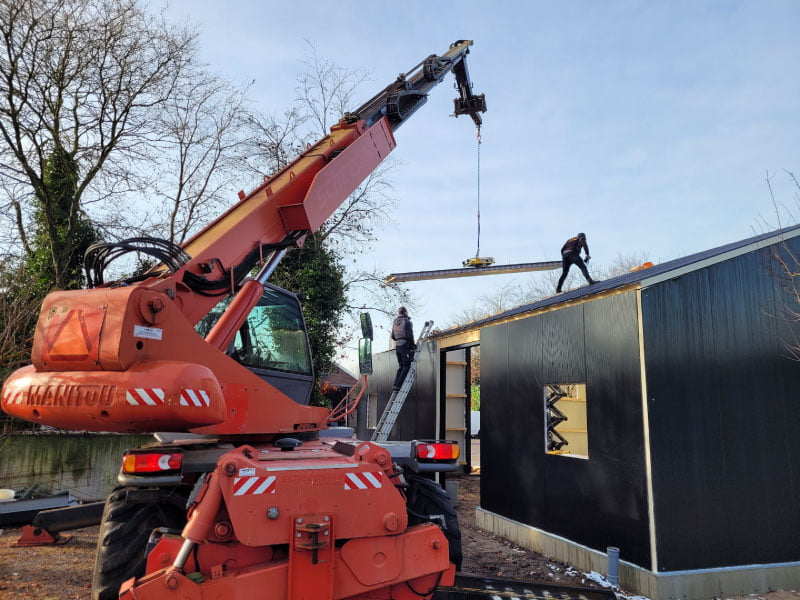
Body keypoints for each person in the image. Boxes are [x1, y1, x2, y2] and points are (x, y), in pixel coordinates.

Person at [390, 306, 415, 391]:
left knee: (401, 366)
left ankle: (396, 385)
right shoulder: (406, 321)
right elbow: (410, 335)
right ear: (405, 312)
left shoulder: (395, 322)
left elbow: (392, 336)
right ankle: (398, 385)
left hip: (397, 346)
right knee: (406, 366)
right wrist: (412, 345)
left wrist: (398, 339)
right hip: (404, 345)